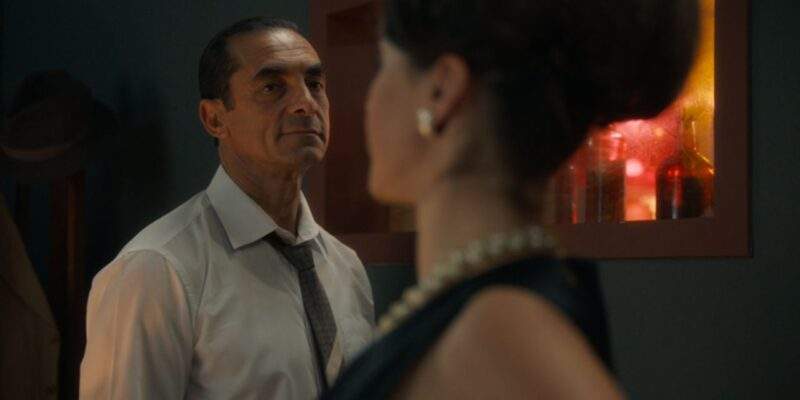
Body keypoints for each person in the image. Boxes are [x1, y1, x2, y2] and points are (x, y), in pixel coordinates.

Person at [324, 0, 699, 398]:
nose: (369, 99)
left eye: (383, 65)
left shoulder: (497, 334)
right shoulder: (491, 309)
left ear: (440, 91)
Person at [80, 17, 374, 399]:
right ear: (214, 118)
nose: (305, 103)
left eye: (314, 84)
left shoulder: (346, 268)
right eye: (272, 87)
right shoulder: (157, 269)